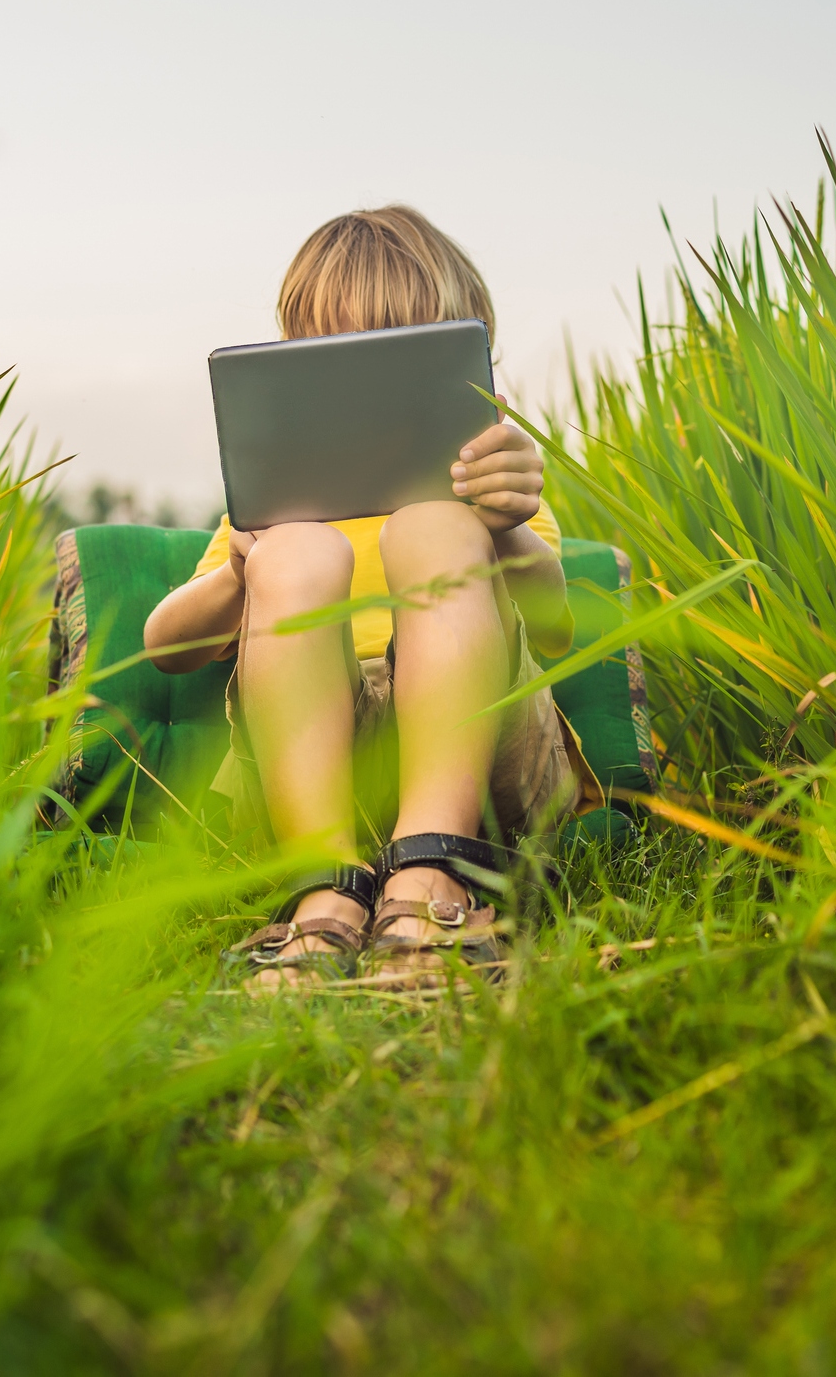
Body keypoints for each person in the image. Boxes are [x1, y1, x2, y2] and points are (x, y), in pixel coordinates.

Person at [144, 205, 598, 989]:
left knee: (435, 527)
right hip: (313, 770)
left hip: (485, 759)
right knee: (293, 550)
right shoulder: (275, 504)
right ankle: (326, 887)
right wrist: (239, 573)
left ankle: (431, 877)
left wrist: (507, 532)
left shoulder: (484, 492)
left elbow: (556, 632)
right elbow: (168, 647)